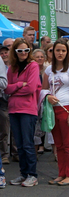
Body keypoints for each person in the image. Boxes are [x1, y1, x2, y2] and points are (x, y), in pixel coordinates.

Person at [43, 38, 69, 186]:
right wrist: (47, 96)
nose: (60, 53)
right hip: (53, 110)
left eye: (63, 50)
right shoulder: (48, 70)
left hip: (66, 108)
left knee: (68, 143)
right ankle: (61, 173)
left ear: (67, 52)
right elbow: (44, 89)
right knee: (58, 144)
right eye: (57, 50)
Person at [5, 38, 42, 186]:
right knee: (19, 144)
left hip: (28, 109)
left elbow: (31, 88)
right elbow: (6, 88)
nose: (23, 53)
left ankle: (32, 175)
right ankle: (23, 173)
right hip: (14, 109)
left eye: (26, 50)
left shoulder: (33, 65)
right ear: (15, 52)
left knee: (27, 143)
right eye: (20, 51)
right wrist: (19, 85)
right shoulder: (12, 67)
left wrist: (14, 89)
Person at [0, 44, 11, 165]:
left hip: (4, 99)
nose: (4, 55)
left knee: (5, 128)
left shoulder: (11, 66)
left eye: (5, 52)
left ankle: (6, 154)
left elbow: (4, 82)